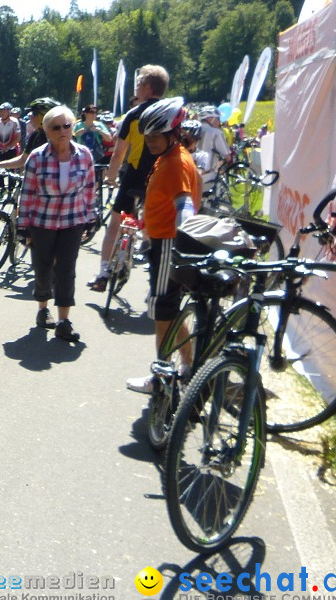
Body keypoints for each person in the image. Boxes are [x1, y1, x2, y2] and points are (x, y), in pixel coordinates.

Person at [124, 97, 201, 394]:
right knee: (166, 307)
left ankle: (160, 376)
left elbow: (185, 205)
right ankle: (188, 362)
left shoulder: (176, 164)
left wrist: (182, 235)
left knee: (162, 311)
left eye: (156, 135)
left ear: (173, 133)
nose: (150, 141)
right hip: (162, 241)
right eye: (147, 136)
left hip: (169, 242)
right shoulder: (172, 155)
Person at [17, 106, 96, 343]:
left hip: (72, 220)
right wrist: (23, 225)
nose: (62, 131)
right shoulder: (37, 157)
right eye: (56, 127)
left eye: (67, 125)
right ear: (47, 131)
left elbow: (91, 189)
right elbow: (27, 192)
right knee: (43, 268)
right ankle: (43, 308)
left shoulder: (84, 155)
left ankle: (64, 321)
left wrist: (91, 218)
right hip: (43, 220)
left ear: (73, 127)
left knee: (66, 270)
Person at [89, 64, 169, 292]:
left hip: (133, 176)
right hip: (160, 176)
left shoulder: (134, 115)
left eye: (138, 83)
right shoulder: (169, 113)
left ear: (146, 87)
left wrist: (111, 178)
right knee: (156, 226)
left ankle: (103, 272)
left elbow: (118, 153)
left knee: (115, 222)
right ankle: (156, 270)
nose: (136, 88)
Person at [0, 97, 59, 170]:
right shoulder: (35, 136)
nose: (31, 117)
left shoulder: (62, 137)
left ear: (43, 116)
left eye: (34, 114)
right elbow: (23, 159)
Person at [195, 105, 231, 190]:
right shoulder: (216, 133)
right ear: (210, 118)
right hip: (207, 176)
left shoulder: (190, 129)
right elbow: (227, 156)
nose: (219, 122)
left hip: (189, 175)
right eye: (218, 118)